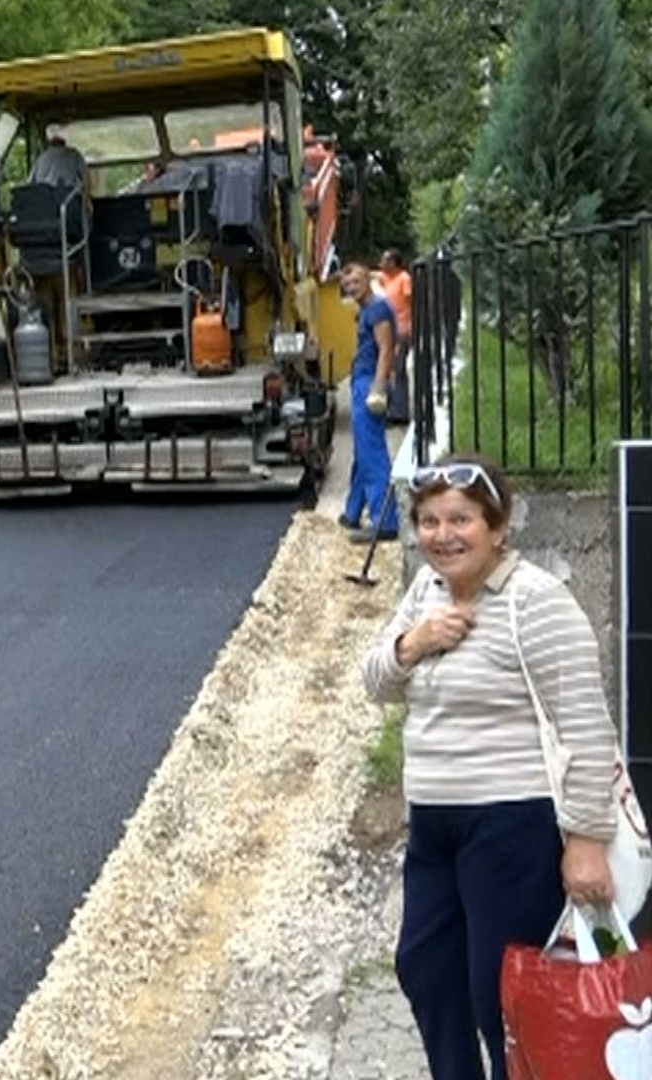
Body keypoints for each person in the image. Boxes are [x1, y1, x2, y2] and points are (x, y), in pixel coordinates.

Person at [361, 453, 620, 1080]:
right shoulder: (427, 593)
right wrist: (415, 642)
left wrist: (586, 840)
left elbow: (586, 723)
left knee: (497, 993)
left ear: (498, 527)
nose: (442, 535)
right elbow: (375, 681)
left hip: (510, 823)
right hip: (434, 823)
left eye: (460, 520)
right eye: (428, 521)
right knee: (424, 966)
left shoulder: (537, 601)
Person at [338, 260, 400, 540]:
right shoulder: (368, 309)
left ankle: (385, 522)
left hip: (369, 383)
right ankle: (352, 513)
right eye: (347, 285)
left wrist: (378, 387)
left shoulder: (376, 310)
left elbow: (386, 349)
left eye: (356, 283)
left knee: (371, 454)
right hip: (363, 380)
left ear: (368, 281)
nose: (352, 288)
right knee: (363, 451)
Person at [378, 250, 415, 426]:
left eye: (385, 260)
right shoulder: (386, 278)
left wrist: (410, 327)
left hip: (401, 329)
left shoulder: (404, 279)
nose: (381, 263)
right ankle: (394, 409)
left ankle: (400, 412)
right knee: (390, 369)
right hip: (389, 331)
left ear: (394, 262)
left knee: (398, 370)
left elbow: (411, 302)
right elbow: (370, 274)